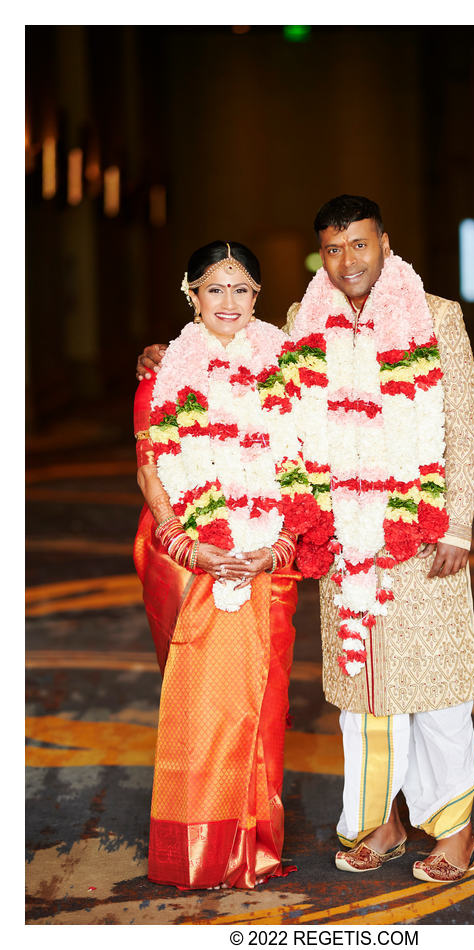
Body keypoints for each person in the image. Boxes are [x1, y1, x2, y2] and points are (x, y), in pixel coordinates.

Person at [136, 196, 474, 884]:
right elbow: (235, 355)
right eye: (333, 248)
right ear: (319, 254)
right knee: (359, 693)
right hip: (337, 538)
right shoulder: (302, 320)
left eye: (359, 245)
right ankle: (376, 821)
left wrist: (456, 526)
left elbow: (462, 427)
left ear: (385, 244)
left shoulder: (437, 316)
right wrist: (166, 350)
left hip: (417, 532)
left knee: (439, 688)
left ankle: (455, 831)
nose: (347, 261)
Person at [133, 240, 319, 891]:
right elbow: (152, 466)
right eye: (216, 288)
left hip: (269, 565)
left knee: (263, 709)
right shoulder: (163, 374)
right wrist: (190, 545)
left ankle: (255, 846)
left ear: (259, 298)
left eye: (241, 289)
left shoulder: (287, 367)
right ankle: (204, 850)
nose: (229, 302)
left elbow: (308, 465)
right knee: (205, 708)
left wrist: (279, 545)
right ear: (191, 294)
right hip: (197, 565)